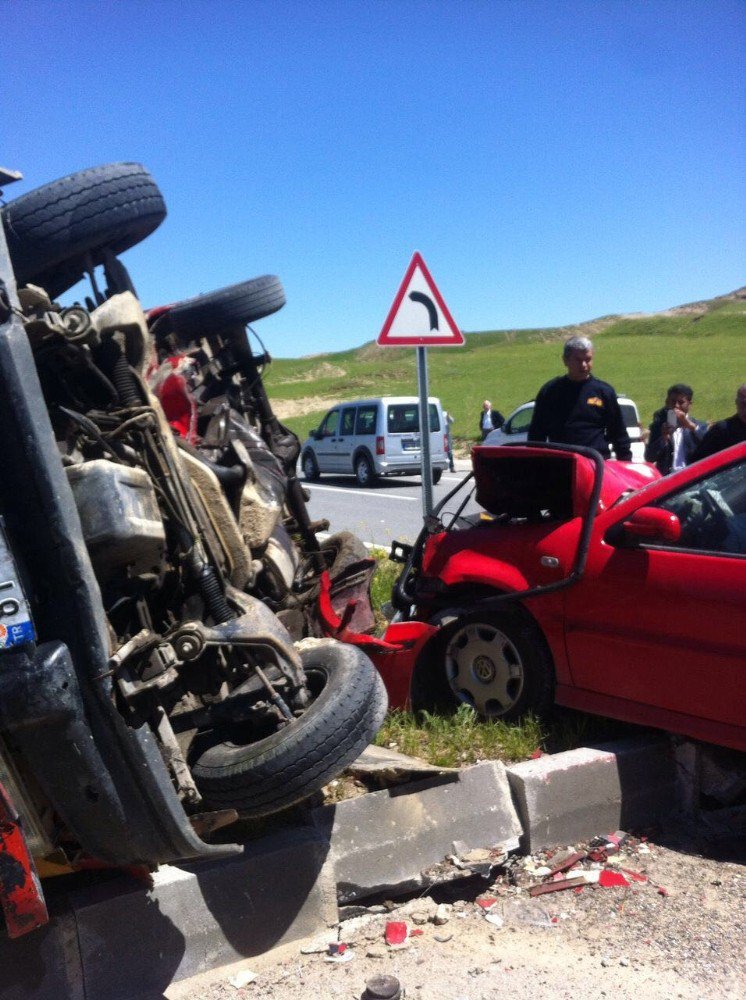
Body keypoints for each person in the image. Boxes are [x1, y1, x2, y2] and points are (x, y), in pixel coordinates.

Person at [527, 336, 632, 460]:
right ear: (565, 360)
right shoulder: (550, 391)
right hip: (560, 464)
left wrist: (625, 462)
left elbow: (618, 432)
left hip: (595, 465)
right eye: (578, 360)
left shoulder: (604, 392)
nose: (583, 365)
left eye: (588, 359)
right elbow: (536, 433)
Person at [644, 383, 708, 474]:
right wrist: (663, 438)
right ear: (667, 403)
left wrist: (691, 426)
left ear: (689, 404)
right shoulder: (658, 426)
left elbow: (710, 447)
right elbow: (649, 458)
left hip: (692, 477)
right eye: (673, 401)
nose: (676, 406)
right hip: (668, 478)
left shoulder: (699, 426)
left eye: (681, 402)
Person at [691, 383, 746, 461]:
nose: (745, 410)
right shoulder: (722, 430)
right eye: (743, 404)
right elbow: (698, 461)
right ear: (736, 403)